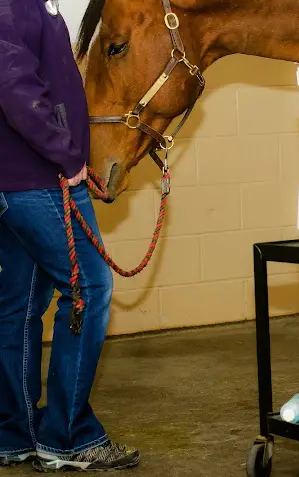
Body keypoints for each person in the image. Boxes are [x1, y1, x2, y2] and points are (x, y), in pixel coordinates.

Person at [0, 0, 139, 471]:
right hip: (39, 179)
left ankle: (13, 435)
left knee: (19, 303)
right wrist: (67, 156)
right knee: (90, 289)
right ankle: (68, 437)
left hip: (16, 179)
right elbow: (14, 86)